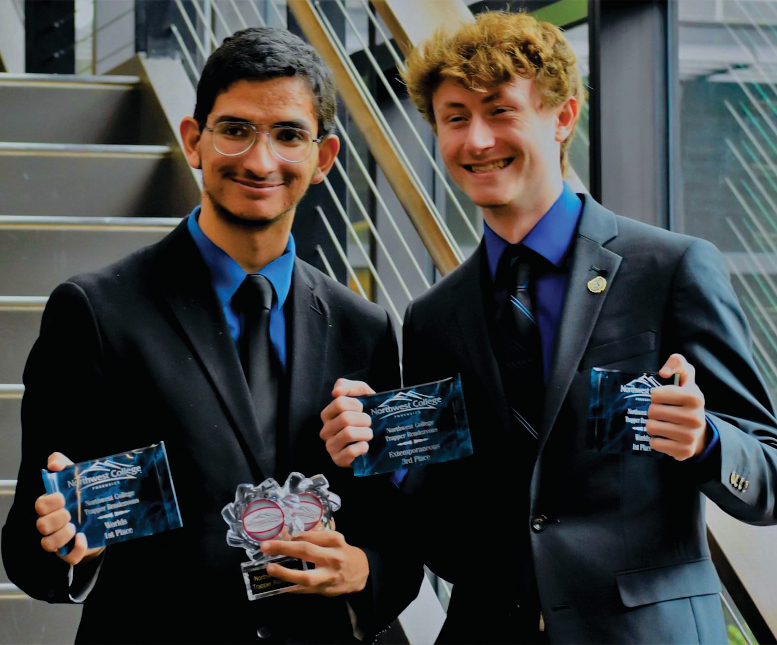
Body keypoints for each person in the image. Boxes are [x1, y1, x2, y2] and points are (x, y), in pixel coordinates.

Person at [319, 11, 777, 644]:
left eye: (500, 111)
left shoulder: (670, 268)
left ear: (562, 118)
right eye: (455, 118)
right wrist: (387, 457)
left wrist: (705, 440)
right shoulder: (432, 318)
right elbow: (450, 534)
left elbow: (769, 472)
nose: (476, 141)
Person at [2, 27, 419, 644]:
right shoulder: (94, 312)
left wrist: (365, 569)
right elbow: (29, 550)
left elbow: (395, 535)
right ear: (194, 141)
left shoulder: (366, 328)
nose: (259, 160)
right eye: (236, 130)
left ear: (324, 158)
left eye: (288, 135)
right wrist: (70, 548)